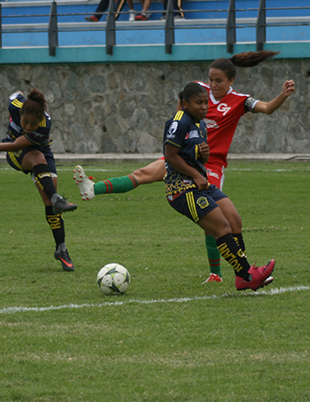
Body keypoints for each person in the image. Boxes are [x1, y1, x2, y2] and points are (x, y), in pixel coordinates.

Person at [74, 51, 294, 283]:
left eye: (218, 81)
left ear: (231, 81)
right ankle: (93, 189)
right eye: (210, 79)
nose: (212, 85)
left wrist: (282, 95)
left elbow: (268, 108)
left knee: (223, 220)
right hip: (184, 158)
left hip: (211, 165)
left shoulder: (240, 100)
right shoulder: (197, 92)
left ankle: (220, 272)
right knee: (143, 174)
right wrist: (181, 132)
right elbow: (180, 110)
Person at [163, 82, 274, 291]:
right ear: (185, 103)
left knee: (234, 221)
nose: (204, 107)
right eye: (198, 103)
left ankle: (243, 274)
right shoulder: (178, 122)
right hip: (181, 190)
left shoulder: (201, 125)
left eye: (206, 102)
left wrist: (202, 157)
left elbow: (194, 158)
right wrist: (196, 173)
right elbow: (170, 156)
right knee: (221, 227)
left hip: (200, 185)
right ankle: (248, 275)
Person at [0, 90, 79, 272]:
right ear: (20, 113)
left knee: (49, 203)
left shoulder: (44, 125)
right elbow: (15, 97)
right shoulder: (15, 104)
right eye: (25, 122)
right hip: (16, 154)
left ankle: (61, 249)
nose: (29, 126)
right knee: (38, 160)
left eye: (34, 123)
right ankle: (57, 198)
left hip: (38, 151)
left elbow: (22, 142)